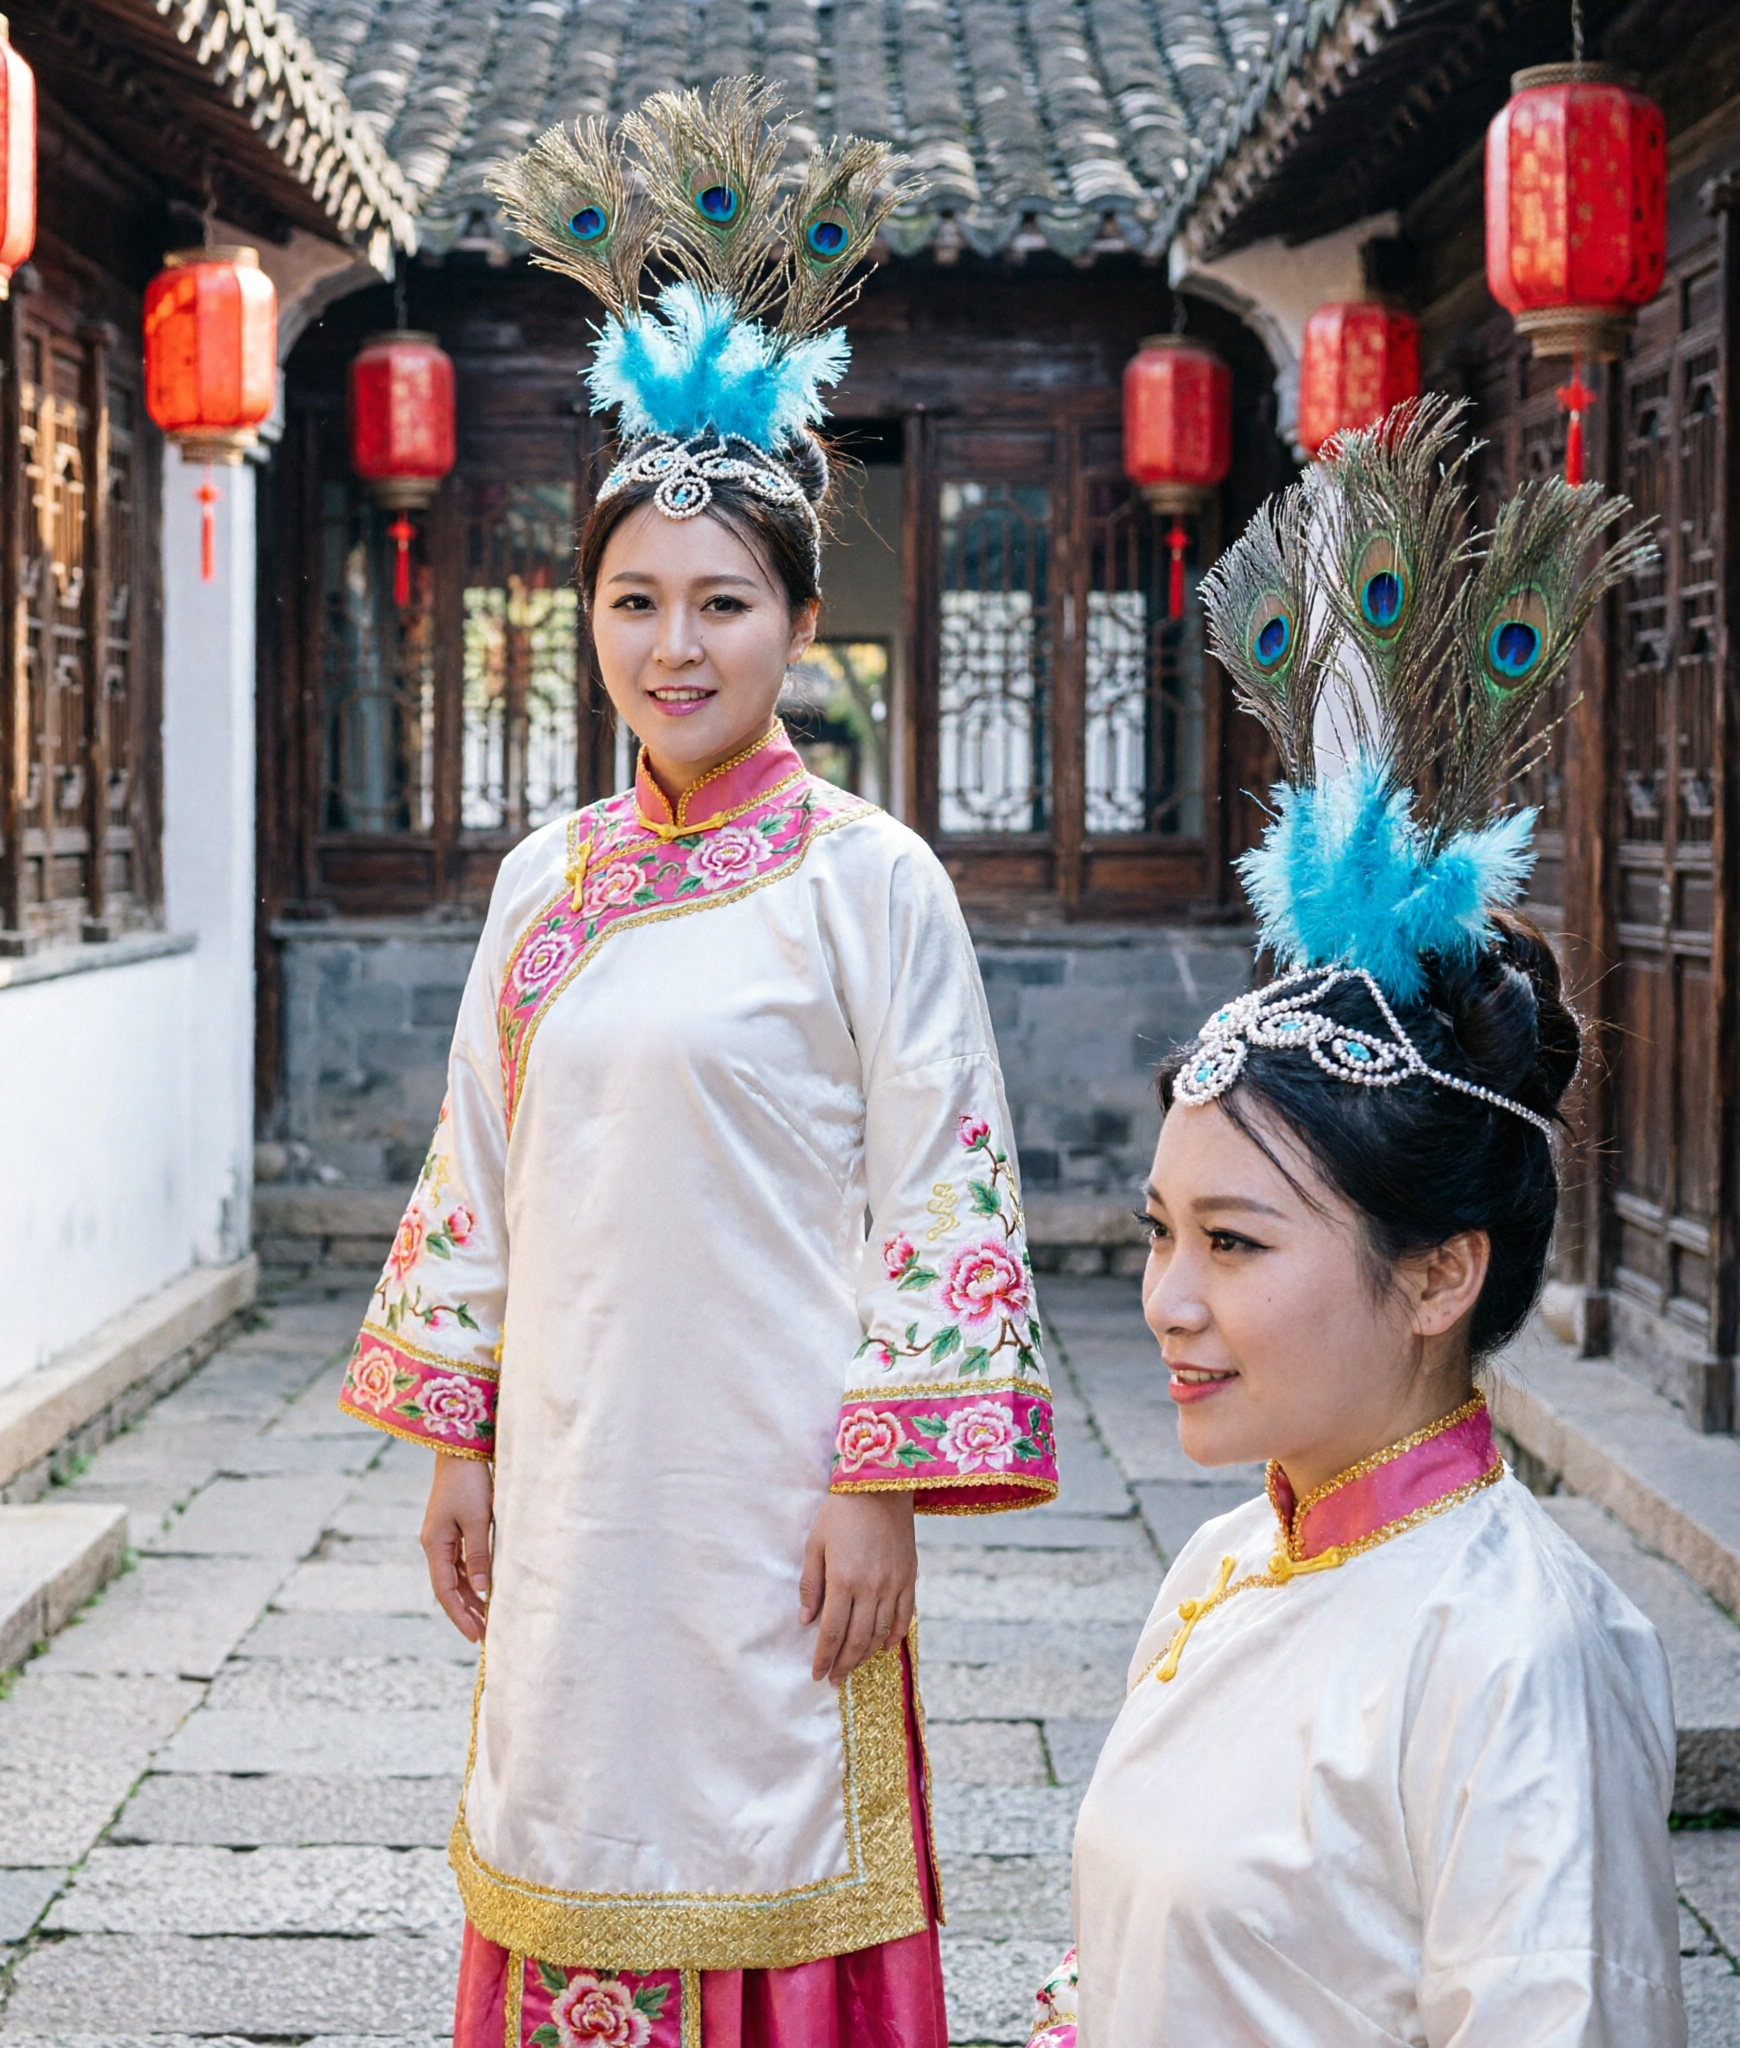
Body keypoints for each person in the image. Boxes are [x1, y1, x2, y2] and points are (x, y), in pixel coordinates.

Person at [339, 84, 1059, 2046]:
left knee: (780, 1824)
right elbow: (475, 1178)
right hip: (576, 1488)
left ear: (800, 623)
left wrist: (882, 1481)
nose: (678, 646)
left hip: (777, 1492)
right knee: (573, 1812)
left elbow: (941, 1192)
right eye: (637, 602)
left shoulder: (869, 884)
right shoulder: (542, 886)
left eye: (722, 603)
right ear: (583, 617)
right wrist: (459, 1447)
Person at [1031, 399, 1686, 2047]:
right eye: (1161, 1234)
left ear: (1440, 1273)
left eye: (1236, 1244)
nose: (1169, 1302)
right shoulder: (1221, 1562)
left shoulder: (1518, 1653)